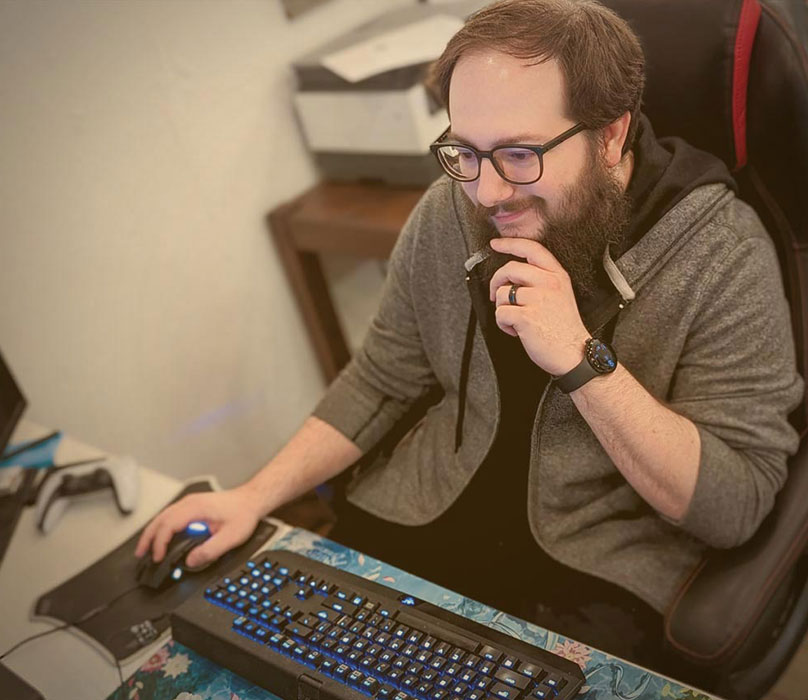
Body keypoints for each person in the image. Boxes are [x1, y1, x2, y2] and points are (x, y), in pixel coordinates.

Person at [136, 0, 803, 679]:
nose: (485, 192)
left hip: (593, 570)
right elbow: (381, 378)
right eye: (465, 151)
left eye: (518, 154)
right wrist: (252, 497)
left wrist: (582, 359)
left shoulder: (723, 252)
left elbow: (736, 504)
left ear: (610, 135)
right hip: (431, 506)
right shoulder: (450, 210)